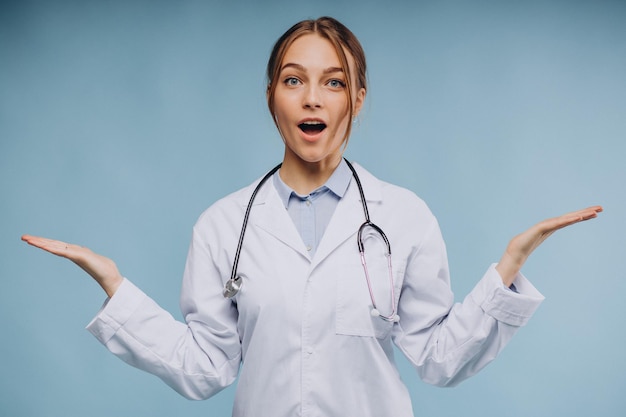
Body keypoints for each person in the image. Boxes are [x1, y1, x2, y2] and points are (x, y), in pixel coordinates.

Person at [22, 16, 601, 417]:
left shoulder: (404, 217)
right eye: (294, 80)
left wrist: (508, 268)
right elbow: (205, 367)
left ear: (358, 98)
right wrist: (116, 288)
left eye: (334, 82)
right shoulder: (223, 225)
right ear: (271, 94)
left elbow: (440, 358)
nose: (312, 99)